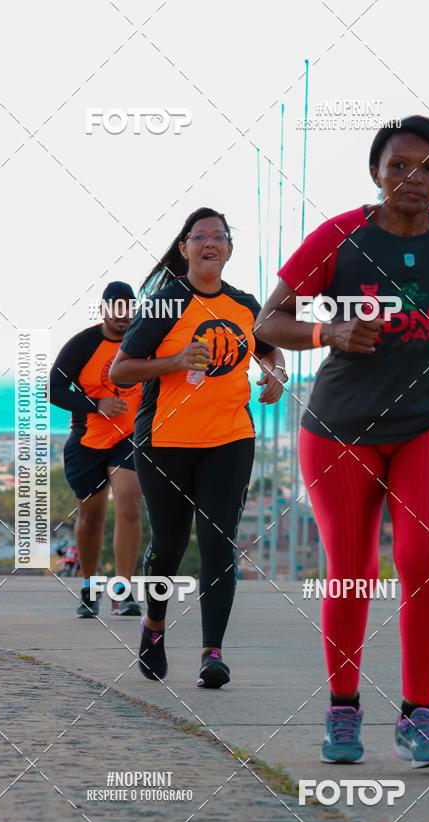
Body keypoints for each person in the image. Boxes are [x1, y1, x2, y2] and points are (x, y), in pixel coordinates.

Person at [255, 116, 429, 766]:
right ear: (375, 173)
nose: (413, 178)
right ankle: (343, 709)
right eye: (399, 166)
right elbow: (268, 319)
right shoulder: (339, 237)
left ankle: (418, 716)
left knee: (426, 561)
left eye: (428, 167)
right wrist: (328, 333)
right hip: (342, 426)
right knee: (354, 572)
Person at [110, 207, 287, 687]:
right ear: (185, 248)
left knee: (218, 542)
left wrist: (276, 369)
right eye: (200, 236)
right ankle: (153, 625)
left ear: (230, 248)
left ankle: (213, 653)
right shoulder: (166, 303)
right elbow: (120, 371)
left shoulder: (246, 305)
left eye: (219, 236)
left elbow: (268, 345)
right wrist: (175, 360)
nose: (210, 243)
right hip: (165, 441)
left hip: (229, 438)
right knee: (169, 546)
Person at [50, 281, 143, 619]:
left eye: (128, 308)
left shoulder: (144, 340)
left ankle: (124, 592)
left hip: (130, 439)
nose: (122, 315)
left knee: (130, 506)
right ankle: (90, 589)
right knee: (91, 519)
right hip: (88, 440)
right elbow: (54, 389)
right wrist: (95, 404)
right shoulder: (83, 344)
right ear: (103, 310)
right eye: (115, 308)